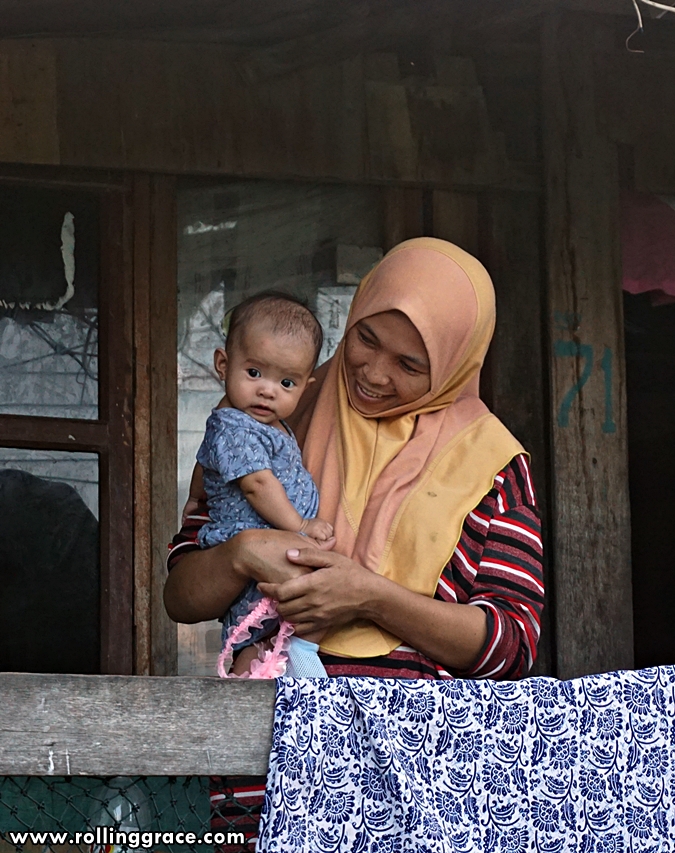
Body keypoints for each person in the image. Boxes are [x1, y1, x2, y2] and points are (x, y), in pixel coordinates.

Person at [164, 237, 544, 847]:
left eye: (410, 364)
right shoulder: (271, 412)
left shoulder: (491, 464)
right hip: (262, 778)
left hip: (419, 786)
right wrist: (239, 554)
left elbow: (512, 643)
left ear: (454, 364)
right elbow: (181, 598)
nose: (372, 372)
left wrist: (370, 597)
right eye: (366, 340)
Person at [184, 293, 334, 677]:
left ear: (306, 386)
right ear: (223, 364)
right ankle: (247, 679)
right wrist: (300, 526)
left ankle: (294, 657)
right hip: (258, 536)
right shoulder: (236, 426)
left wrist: (194, 495)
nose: (268, 390)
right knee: (254, 629)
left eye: (286, 382)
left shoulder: (257, 421)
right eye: (254, 373)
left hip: (271, 539)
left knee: (297, 612)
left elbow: (205, 459)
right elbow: (257, 485)